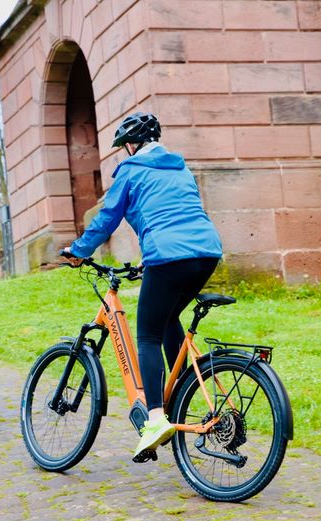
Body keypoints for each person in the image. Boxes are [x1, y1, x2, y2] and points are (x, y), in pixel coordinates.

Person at [62, 112, 223, 462]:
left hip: (168, 256)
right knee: (168, 319)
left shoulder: (132, 171)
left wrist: (78, 251)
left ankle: (154, 419)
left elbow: (107, 217)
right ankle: (180, 394)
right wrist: (146, 261)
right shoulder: (180, 168)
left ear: (132, 145)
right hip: (207, 252)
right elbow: (178, 214)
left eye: (125, 147)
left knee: (147, 334)